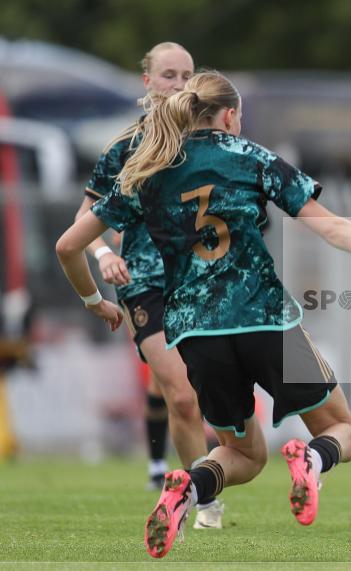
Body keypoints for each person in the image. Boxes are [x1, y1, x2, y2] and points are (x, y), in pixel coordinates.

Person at [56, 70, 351, 558]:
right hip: (264, 320)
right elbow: (331, 229)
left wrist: (93, 300)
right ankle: (312, 458)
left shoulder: (148, 171)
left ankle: (190, 489)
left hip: (196, 333)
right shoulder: (250, 158)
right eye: (239, 114)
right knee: (341, 432)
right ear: (228, 115)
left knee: (243, 453)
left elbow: (68, 244)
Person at [75, 42, 223, 527]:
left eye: (186, 76)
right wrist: (102, 254)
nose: (179, 85)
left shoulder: (211, 144)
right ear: (147, 82)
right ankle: (203, 502)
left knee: (206, 392)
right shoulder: (124, 147)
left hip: (202, 281)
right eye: (168, 76)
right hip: (145, 282)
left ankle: (206, 474)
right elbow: (84, 220)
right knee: (180, 394)